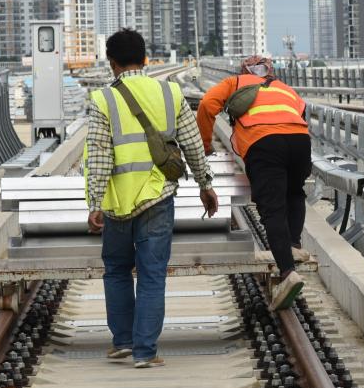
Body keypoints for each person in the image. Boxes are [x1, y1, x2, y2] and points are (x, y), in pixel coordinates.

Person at [84, 29, 218, 368]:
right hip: (158, 196)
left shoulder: (104, 99)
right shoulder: (169, 92)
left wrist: (94, 203)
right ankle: (145, 351)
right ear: (145, 60)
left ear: (111, 64)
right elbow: (191, 143)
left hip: (117, 202)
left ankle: (123, 342)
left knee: (115, 271)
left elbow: (98, 156)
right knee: (151, 274)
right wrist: (205, 184)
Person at [197, 55, 311, 311]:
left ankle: (287, 273)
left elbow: (206, 105)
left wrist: (205, 144)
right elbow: (302, 112)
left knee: (272, 208)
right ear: (269, 72)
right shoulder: (284, 88)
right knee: (294, 193)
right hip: (300, 141)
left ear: (244, 70)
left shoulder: (234, 82)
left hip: (264, 143)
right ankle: (292, 246)